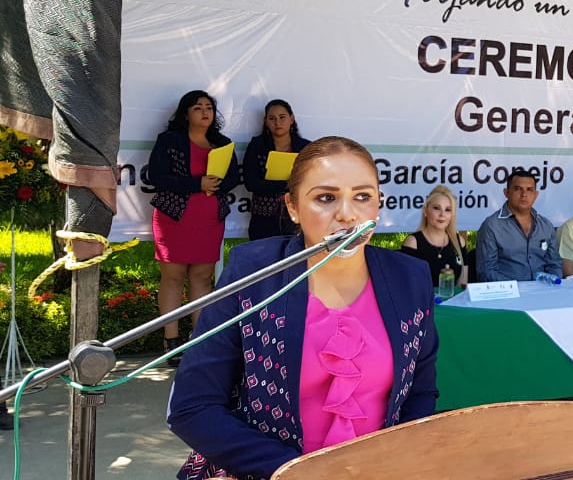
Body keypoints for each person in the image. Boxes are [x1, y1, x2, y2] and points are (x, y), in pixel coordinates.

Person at [167, 136, 439, 479]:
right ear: (293, 207)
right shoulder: (255, 273)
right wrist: (297, 472)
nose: (347, 214)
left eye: (363, 196)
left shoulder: (409, 279)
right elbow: (192, 407)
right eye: (326, 198)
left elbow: (420, 393)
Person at [148, 90, 240, 367]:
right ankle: (171, 341)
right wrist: (196, 184)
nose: (205, 112)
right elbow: (156, 177)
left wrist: (217, 185)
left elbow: (233, 177)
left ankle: (198, 340)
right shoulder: (170, 140)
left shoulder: (222, 143)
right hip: (174, 218)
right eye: (198, 107)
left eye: (209, 107)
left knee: (202, 278)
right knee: (173, 277)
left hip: (209, 219)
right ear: (186, 113)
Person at [476, 169, 562, 281]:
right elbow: (487, 271)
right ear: (506, 193)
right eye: (518, 189)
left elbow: (554, 265)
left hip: (543, 289)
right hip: (508, 290)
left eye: (529, 190)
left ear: (536, 195)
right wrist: (517, 288)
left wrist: (554, 283)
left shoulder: (546, 226)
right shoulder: (491, 226)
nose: (524, 194)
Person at [243, 99, 311, 240]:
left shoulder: (305, 147)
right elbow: (251, 182)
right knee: (264, 253)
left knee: (294, 252)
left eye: (282, 117)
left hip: (296, 215)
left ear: (291, 119)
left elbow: (312, 180)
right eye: (272, 118)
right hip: (263, 217)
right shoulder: (257, 145)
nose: (277, 123)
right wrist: (285, 185)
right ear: (266, 121)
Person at [401, 185, 469, 289]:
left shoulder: (459, 241)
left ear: (452, 215)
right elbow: (407, 284)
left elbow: (462, 284)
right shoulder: (413, 242)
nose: (442, 214)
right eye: (436, 208)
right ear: (425, 211)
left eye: (448, 210)